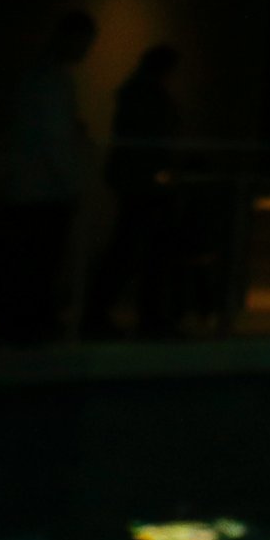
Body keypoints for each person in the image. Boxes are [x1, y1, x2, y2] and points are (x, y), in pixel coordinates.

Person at [0, 10, 97, 343]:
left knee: (27, 262)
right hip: (44, 190)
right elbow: (53, 140)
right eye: (85, 42)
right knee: (39, 263)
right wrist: (73, 184)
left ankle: (19, 326)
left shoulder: (38, 77)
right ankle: (30, 328)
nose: (87, 50)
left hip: (29, 187)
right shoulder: (51, 80)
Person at [83, 42, 186, 337]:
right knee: (140, 251)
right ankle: (144, 318)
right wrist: (165, 175)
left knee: (131, 249)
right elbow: (154, 143)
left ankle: (106, 313)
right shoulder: (148, 98)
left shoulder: (138, 95)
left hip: (141, 184)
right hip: (148, 186)